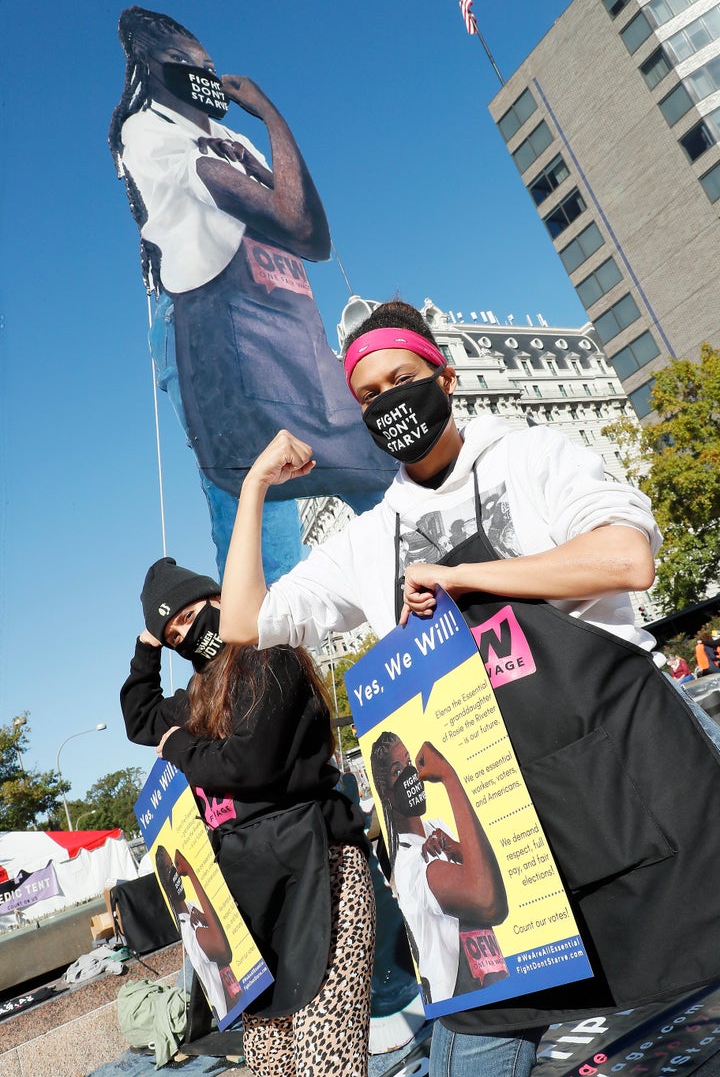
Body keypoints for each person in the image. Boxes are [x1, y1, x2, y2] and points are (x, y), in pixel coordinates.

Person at [216, 299, 720, 1077]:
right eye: (368, 397)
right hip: (494, 825)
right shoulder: (369, 536)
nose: (389, 403)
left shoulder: (534, 455)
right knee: (478, 1043)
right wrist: (254, 487)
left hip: (628, 773)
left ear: (444, 376)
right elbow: (244, 626)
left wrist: (462, 577)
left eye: (403, 379)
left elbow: (626, 558)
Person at [109, 7, 394, 578]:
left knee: (378, 470)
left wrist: (267, 119)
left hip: (287, 323)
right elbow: (290, 219)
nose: (201, 73)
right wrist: (269, 112)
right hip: (211, 331)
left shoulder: (233, 137)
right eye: (182, 63)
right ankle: (269, 660)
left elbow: (312, 235)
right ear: (148, 69)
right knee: (260, 512)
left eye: (207, 64)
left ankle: (445, 612)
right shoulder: (148, 131)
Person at [120, 557, 375, 1077]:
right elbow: (141, 718)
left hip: (319, 872)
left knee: (325, 1061)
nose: (185, 636)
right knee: (271, 1062)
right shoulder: (198, 692)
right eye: (173, 636)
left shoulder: (268, 653)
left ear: (218, 597)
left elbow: (250, 763)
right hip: (252, 894)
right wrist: (148, 645)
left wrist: (183, 750)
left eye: (189, 617)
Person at [370, 733, 508, 1006]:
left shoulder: (436, 829)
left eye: (409, 762)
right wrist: (449, 777)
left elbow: (487, 873)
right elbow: (489, 901)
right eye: (398, 771)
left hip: (498, 986)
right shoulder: (409, 863)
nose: (410, 774)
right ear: (385, 791)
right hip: (465, 1007)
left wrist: (458, 848)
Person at [155, 845, 235, 1021]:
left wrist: (205, 917)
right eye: (169, 869)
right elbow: (222, 948)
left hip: (238, 995)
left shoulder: (192, 908)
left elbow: (217, 924)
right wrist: (191, 872)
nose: (175, 872)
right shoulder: (187, 930)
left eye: (174, 865)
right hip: (230, 1012)